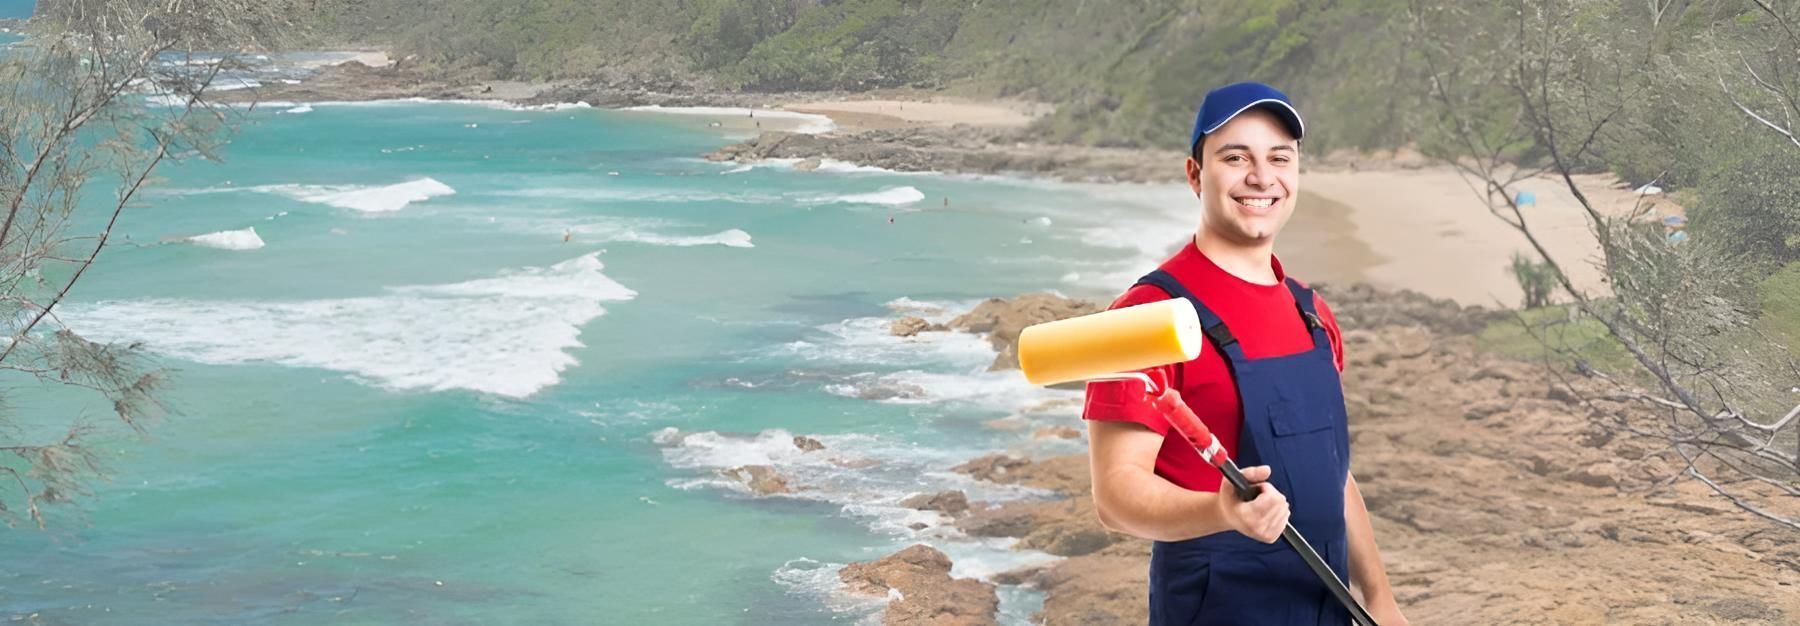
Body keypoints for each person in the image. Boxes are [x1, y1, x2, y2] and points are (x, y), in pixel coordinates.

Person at [1082, 81, 1408, 625]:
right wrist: (1221, 511)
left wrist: (1380, 598)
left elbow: (1335, 475)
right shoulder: (1146, 317)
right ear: (1195, 174)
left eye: (1279, 157)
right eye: (1236, 157)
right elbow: (1115, 497)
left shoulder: (1313, 315)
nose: (1261, 177)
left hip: (1328, 608)